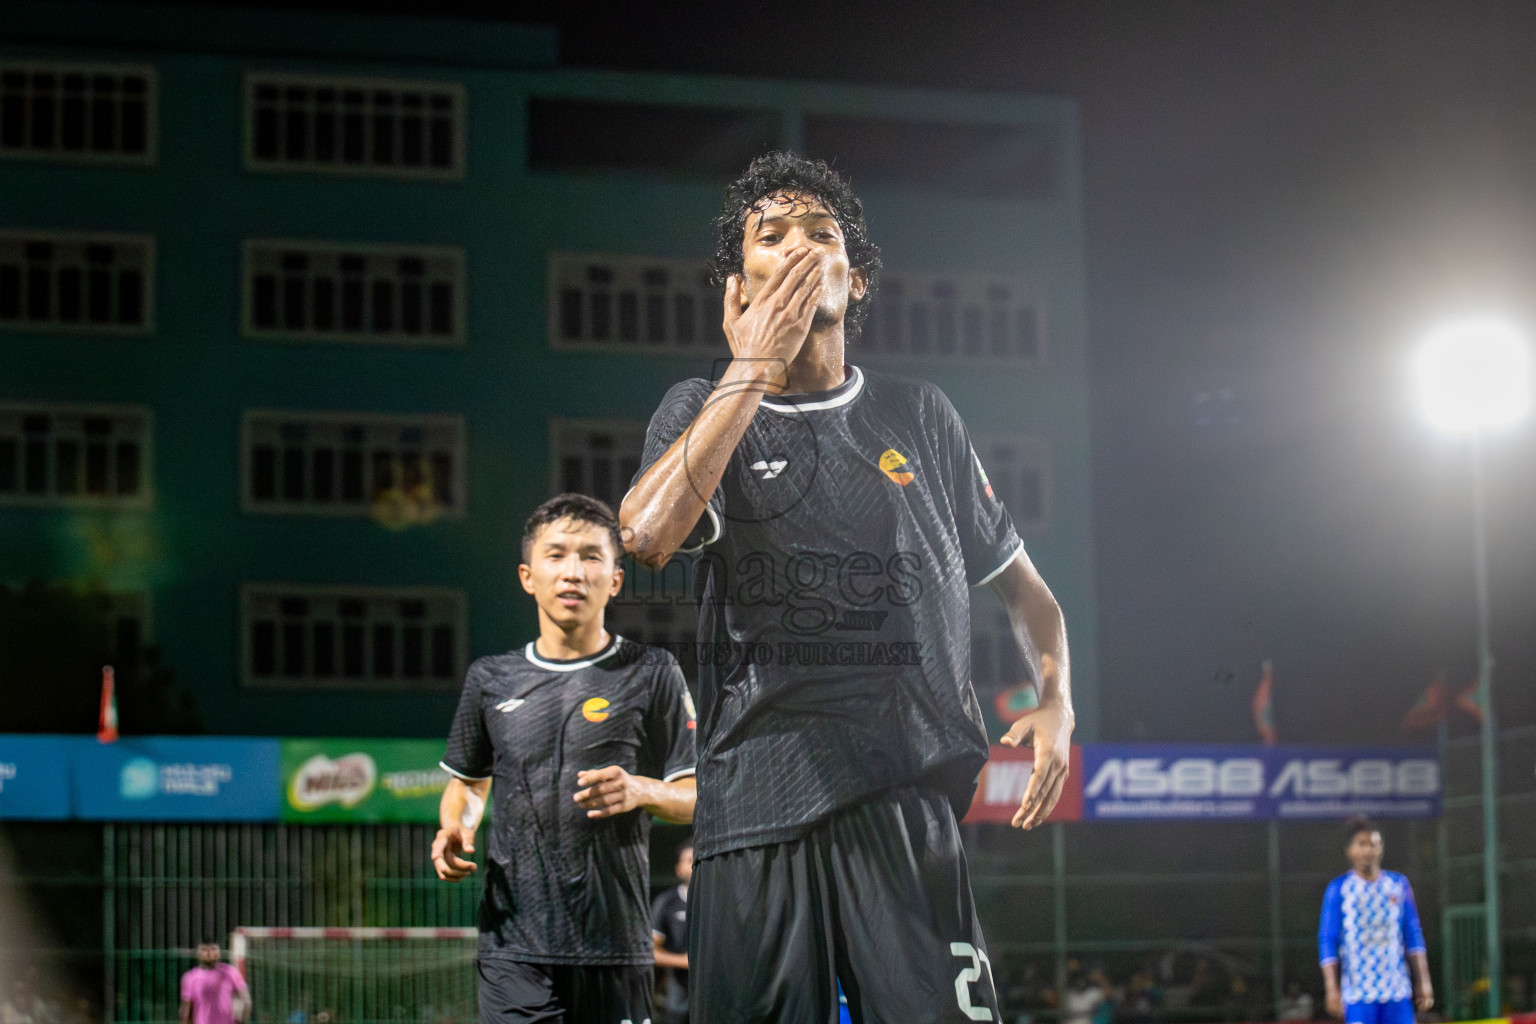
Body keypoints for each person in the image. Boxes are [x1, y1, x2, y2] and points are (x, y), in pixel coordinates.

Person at [620, 151, 1075, 1023]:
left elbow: (1027, 591)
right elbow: (644, 534)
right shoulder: (700, 407)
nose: (796, 249)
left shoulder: (920, 415)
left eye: (820, 234)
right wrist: (748, 368)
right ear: (737, 287)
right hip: (754, 802)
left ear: (856, 278)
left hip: (902, 798)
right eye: (770, 236)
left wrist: (1058, 700)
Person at [432, 494, 698, 1024]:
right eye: (556, 555)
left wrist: (643, 790)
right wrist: (455, 828)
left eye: (591, 556)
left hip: (615, 944)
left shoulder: (652, 670)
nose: (573, 571)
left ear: (616, 580)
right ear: (528, 576)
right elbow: (469, 783)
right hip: (513, 945)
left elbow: (697, 797)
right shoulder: (491, 678)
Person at [1319, 817, 1434, 1024]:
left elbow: (1413, 933)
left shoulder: (1398, 885)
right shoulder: (1339, 889)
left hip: (1396, 990)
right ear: (1350, 851)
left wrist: (1423, 981)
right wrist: (1331, 988)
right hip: (1358, 994)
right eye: (1362, 844)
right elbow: (1327, 939)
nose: (1368, 850)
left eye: (1374, 844)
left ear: (1381, 849)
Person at [650, 841, 693, 1024]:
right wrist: (686, 962)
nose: (695, 864)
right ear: (678, 869)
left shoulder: (724, 899)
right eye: (690, 860)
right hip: (680, 1000)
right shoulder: (667, 902)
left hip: (722, 996)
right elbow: (650, 951)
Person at [178, 943, 248, 1024]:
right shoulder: (190, 977)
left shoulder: (230, 972)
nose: (208, 953)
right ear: (199, 954)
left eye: (212, 949)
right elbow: (186, 1008)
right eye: (204, 950)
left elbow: (244, 1000)